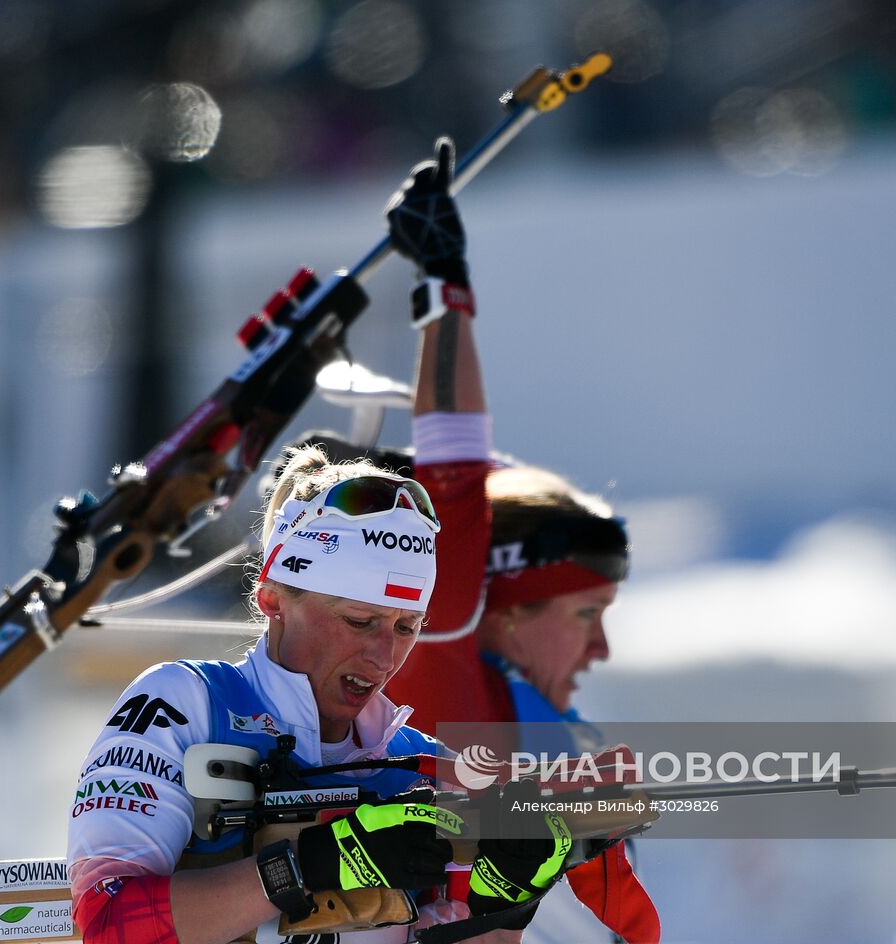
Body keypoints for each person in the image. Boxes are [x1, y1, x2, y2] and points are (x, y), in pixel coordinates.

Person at [65, 147, 574, 944]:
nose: (385, 654)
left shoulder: (421, 764)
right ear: (273, 597)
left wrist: (506, 895)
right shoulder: (184, 704)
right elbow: (108, 925)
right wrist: (305, 868)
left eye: (404, 628)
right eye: (360, 620)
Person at [379, 141, 661, 944]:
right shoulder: (432, 654)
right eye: (583, 613)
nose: (600, 647)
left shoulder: (539, 734)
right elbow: (453, 475)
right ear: (495, 606)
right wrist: (443, 292)